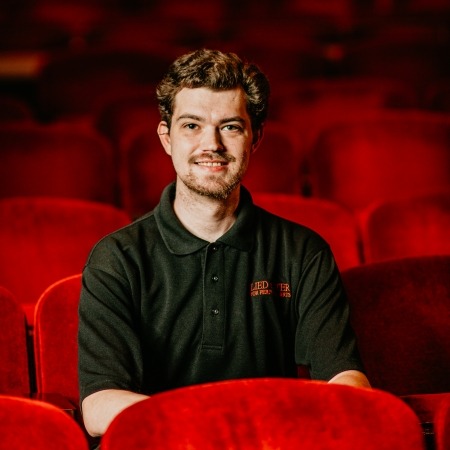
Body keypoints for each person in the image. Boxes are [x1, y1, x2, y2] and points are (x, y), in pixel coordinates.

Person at [78, 48, 370, 442]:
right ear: (167, 138)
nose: (211, 144)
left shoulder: (303, 251)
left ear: (256, 138)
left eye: (230, 126)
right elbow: (98, 404)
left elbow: (346, 377)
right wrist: (213, 427)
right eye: (192, 126)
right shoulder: (117, 258)